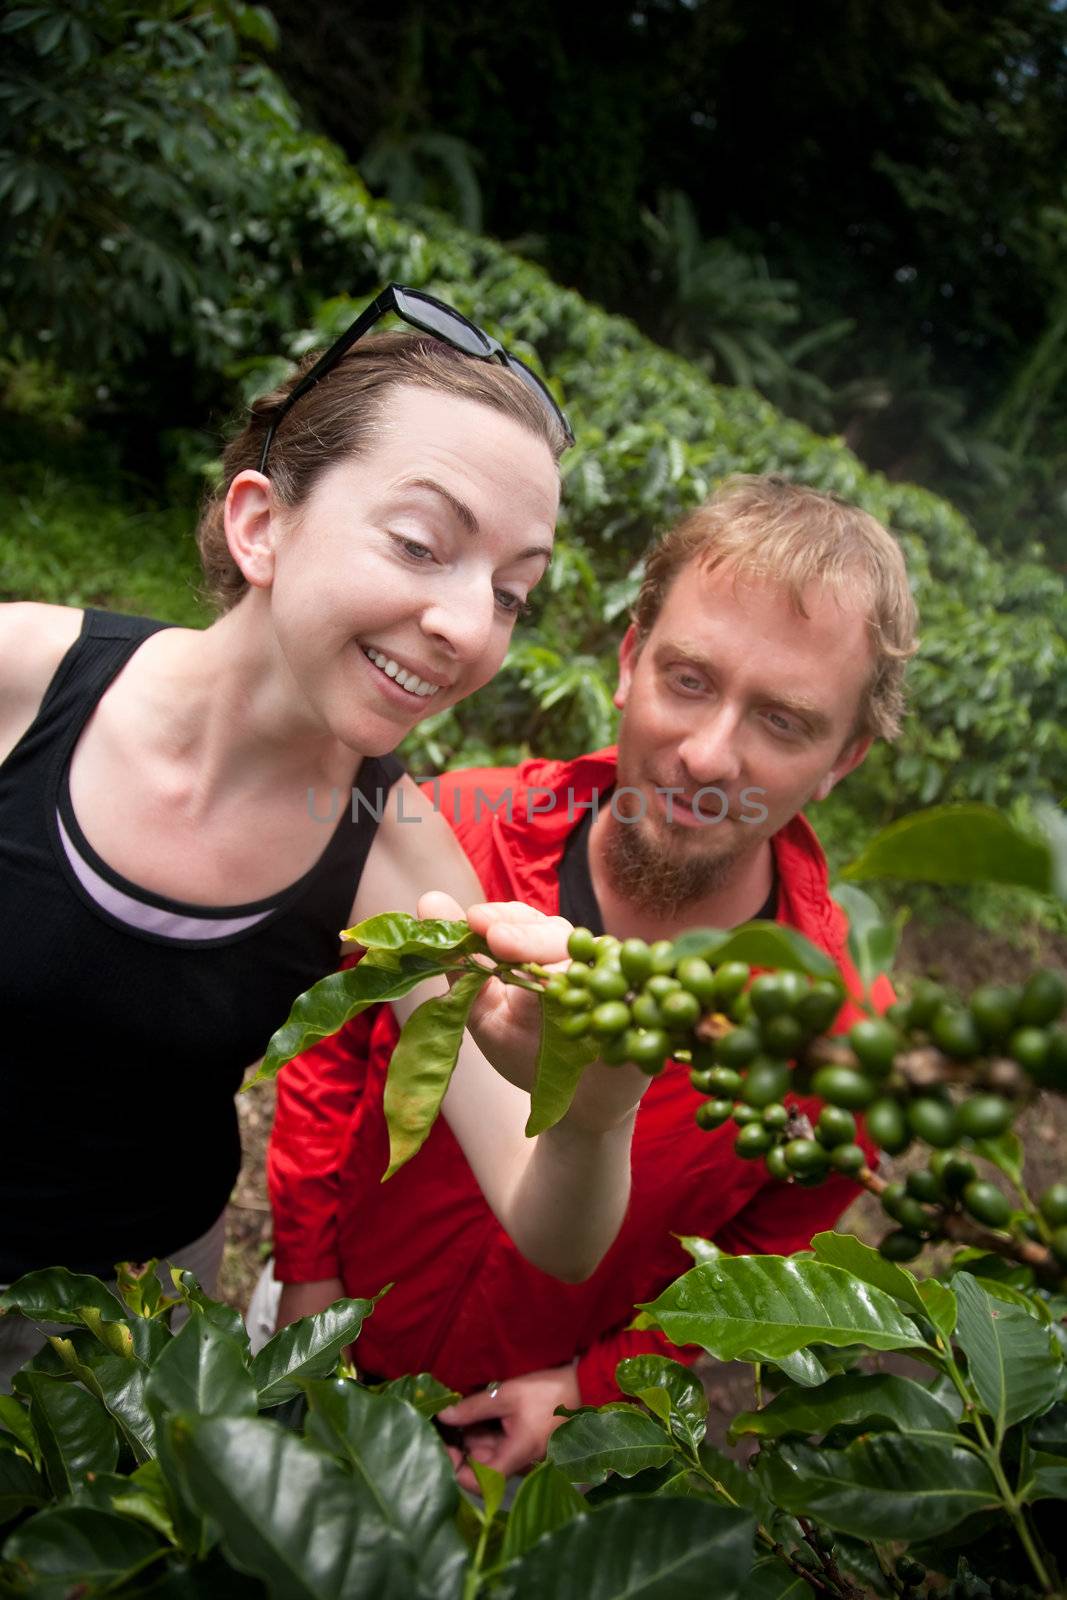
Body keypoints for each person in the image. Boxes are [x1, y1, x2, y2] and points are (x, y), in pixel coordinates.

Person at [0, 286, 655, 1392]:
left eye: (511, 593)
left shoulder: (397, 868)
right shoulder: (21, 683)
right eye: (418, 543)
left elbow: (556, 1229)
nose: (465, 628)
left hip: (108, 1333)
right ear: (261, 523)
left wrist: (595, 1110)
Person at [262, 474, 919, 1486]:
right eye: (687, 679)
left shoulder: (833, 1038)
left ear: (843, 758)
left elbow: (756, 1258)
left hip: (511, 1425)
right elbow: (332, 1055)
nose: (706, 753)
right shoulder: (452, 833)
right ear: (627, 660)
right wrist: (306, 1278)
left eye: (782, 723)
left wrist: (591, 1385)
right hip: (328, 1320)